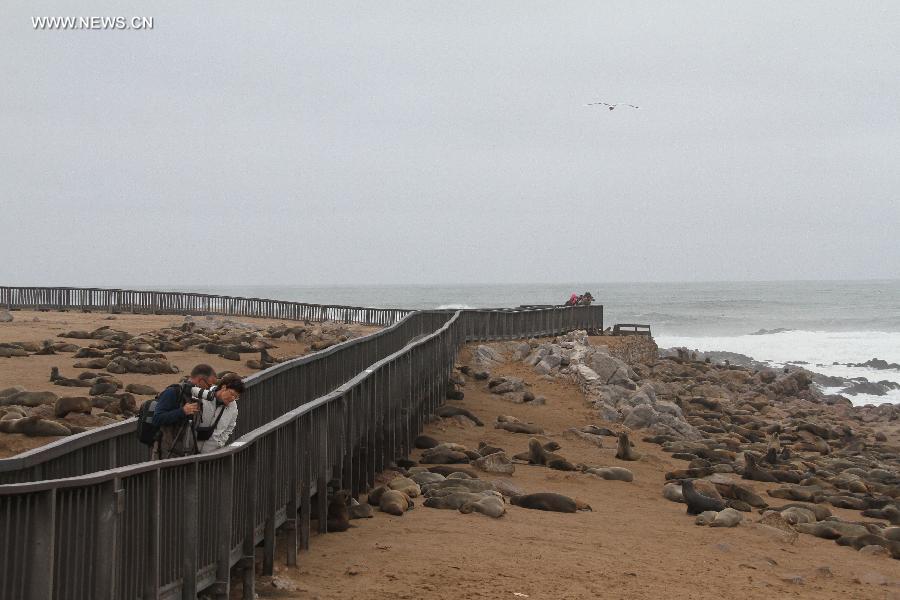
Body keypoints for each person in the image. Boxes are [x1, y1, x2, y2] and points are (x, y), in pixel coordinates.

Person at [152, 363, 234, 459]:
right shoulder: (173, 392)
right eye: (209, 385)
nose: (209, 390)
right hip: (167, 455)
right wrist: (182, 411)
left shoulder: (197, 397)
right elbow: (157, 419)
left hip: (188, 453)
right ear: (200, 380)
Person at [196, 372, 244, 453]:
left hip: (212, 452)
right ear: (224, 387)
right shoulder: (203, 395)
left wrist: (220, 442)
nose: (233, 398)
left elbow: (230, 427)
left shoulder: (233, 406)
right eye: (232, 394)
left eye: (236, 397)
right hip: (191, 449)